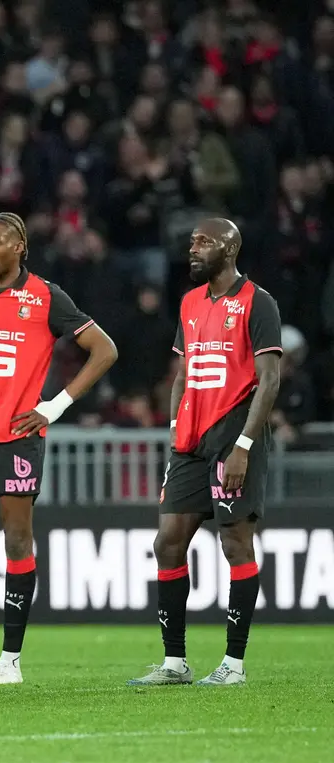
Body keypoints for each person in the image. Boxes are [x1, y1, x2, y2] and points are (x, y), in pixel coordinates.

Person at [0, 213, 118, 685]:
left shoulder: (45, 297)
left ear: (19, 246)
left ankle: (9, 659)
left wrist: (55, 407)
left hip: (17, 438)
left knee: (16, 542)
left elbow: (104, 350)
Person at [129, 218, 282, 687]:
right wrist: (177, 427)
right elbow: (183, 372)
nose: (192, 249)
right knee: (168, 542)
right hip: (191, 440)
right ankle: (175, 663)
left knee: (235, 542)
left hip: (234, 432)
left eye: (203, 242)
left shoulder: (259, 302)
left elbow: (269, 378)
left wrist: (243, 446)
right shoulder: (191, 302)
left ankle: (233, 664)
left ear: (230, 249)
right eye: (191, 241)